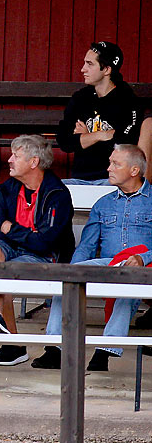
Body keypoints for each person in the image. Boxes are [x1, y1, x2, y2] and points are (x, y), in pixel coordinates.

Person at [30, 144, 152, 372]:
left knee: (129, 285)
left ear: (134, 171)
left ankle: (105, 351)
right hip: (107, 264)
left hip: (144, 266)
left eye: (116, 164)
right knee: (66, 280)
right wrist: (74, 272)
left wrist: (143, 258)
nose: (108, 169)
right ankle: (55, 348)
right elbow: (87, 246)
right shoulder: (103, 204)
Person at [0, 134, 75, 367]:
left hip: (44, 258)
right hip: (12, 252)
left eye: (16, 156)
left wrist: (12, 229)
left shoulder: (56, 194)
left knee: (4, 275)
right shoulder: (8, 189)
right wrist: (21, 234)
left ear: (33, 162)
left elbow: (45, 243)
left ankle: (13, 346)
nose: (9, 160)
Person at [56, 41, 143, 184]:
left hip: (112, 181)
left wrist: (85, 138)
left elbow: (125, 144)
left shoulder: (128, 100)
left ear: (107, 69)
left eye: (90, 64)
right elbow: (64, 142)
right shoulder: (80, 98)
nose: (83, 69)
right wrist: (101, 135)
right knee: (55, 192)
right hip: (79, 179)